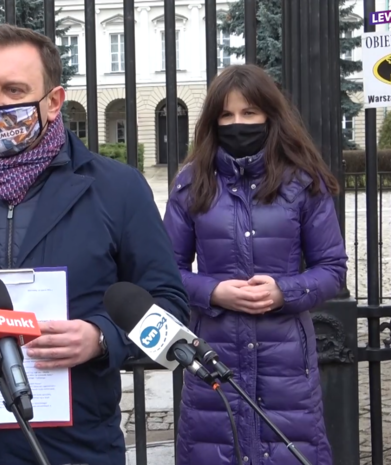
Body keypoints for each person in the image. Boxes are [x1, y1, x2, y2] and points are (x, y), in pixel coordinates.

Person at [0, 24, 190, 465]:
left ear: (54, 101)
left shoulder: (117, 189)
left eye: (13, 90)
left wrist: (101, 338)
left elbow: (170, 306)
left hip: (75, 446)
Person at [163, 64, 347, 465]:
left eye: (248, 113)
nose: (237, 123)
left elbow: (332, 268)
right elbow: (165, 272)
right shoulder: (191, 183)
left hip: (286, 364)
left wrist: (284, 291)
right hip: (213, 355)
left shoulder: (303, 182)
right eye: (226, 115)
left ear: (269, 115)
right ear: (213, 121)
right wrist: (213, 292)